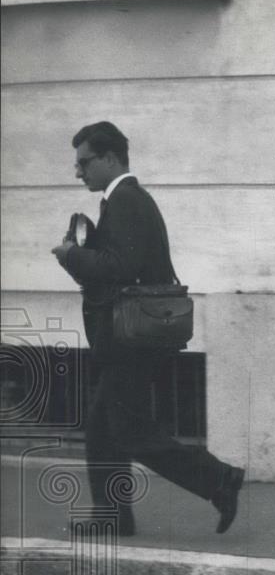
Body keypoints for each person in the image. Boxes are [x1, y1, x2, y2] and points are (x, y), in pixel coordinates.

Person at [51, 121, 244, 536]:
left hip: (131, 341)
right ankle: (113, 515)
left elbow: (120, 268)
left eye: (84, 162)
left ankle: (219, 480)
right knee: (104, 429)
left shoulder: (126, 201)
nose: (78, 171)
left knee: (129, 430)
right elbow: (121, 265)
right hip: (127, 338)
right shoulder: (121, 200)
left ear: (109, 158)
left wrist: (71, 256)